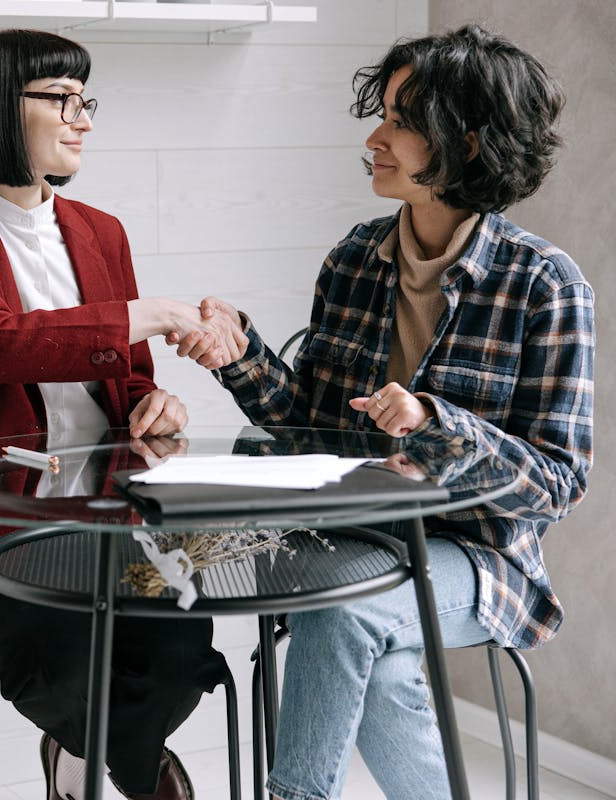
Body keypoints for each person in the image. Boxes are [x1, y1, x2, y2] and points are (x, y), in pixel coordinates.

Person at [176, 24, 594, 800]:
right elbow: (310, 424)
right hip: (346, 538)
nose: (375, 136)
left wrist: (438, 424)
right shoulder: (353, 259)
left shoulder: (545, 285)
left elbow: (557, 484)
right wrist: (238, 355)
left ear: (466, 145)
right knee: (378, 659)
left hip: (475, 559)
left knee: (344, 616)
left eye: (402, 120)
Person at [0, 29, 246, 800]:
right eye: (60, 98)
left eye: (87, 100)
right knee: (78, 674)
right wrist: (143, 314)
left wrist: (156, 402)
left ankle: (76, 767)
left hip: (115, 529)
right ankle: (137, 780)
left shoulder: (101, 232)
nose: (83, 118)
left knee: (180, 658)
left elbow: (131, 381)